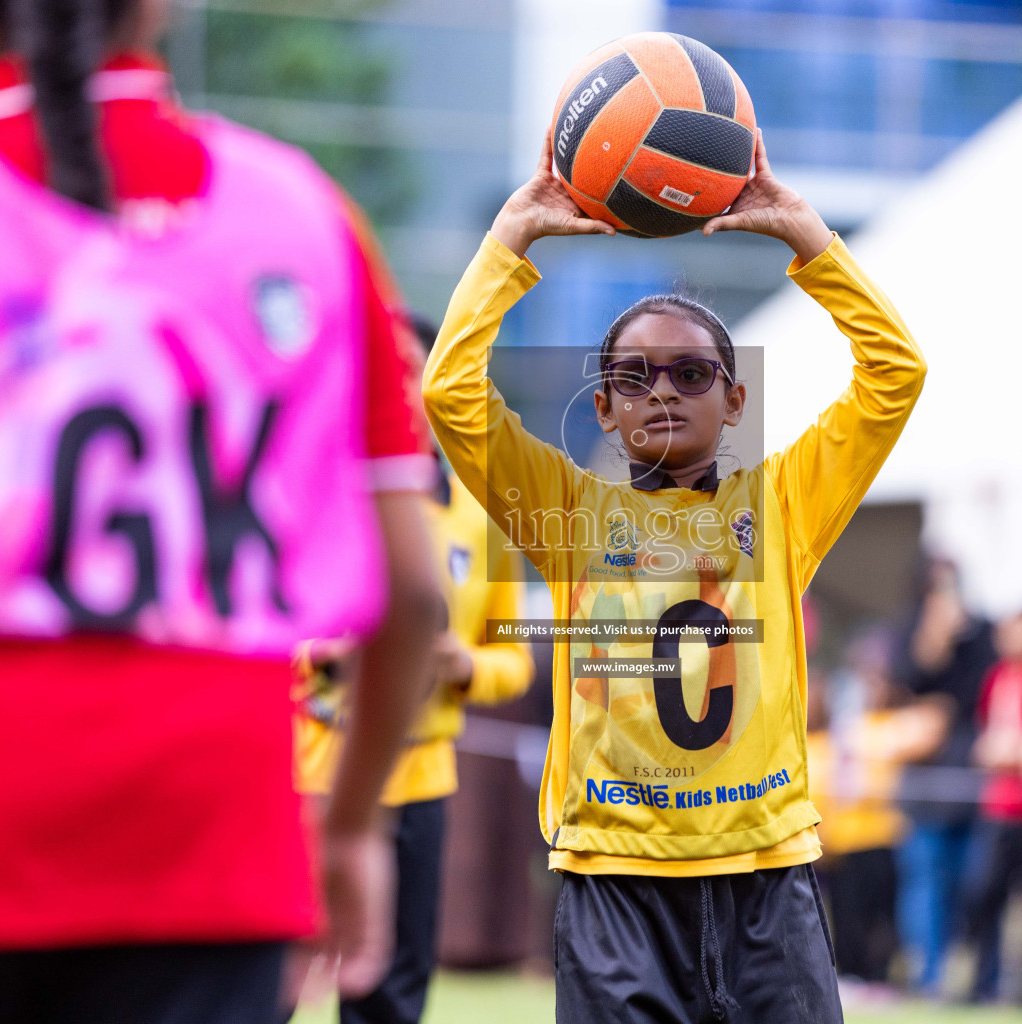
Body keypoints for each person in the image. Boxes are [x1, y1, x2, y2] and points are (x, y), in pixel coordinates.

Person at [0, 0, 443, 1018]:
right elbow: (413, 593)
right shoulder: (300, 214)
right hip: (213, 867)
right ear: (159, 10)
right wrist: (347, 827)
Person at [421, 128, 926, 1023]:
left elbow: (894, 375)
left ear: (735, 399)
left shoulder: (782, 506)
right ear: (606, 408)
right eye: (635, 376)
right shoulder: (569, 515)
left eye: (692, 373)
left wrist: (806, 236)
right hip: (616, 884)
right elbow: (451, 394)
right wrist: (511, 238)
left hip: (766, 877)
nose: (663, 390)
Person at [292, 318, 536, 1024]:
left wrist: (467, 666)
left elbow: (514, 659)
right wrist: (319, 655)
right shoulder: (312, 493)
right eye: (380, 369)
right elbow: (251, 630)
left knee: (393, 991)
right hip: (311, 771)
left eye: (412, 370)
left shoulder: (482, 513)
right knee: (272, 979)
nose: (397, 387)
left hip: (423, 776)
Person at [807, 634, 949, 994]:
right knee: (846, 913)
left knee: (882, 914)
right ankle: (852, 974)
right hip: (843, 836)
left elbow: (931, 725)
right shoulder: (845, 727)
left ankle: (879, 976)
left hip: (883, 833)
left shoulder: (892, 725)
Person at [894, 556, 997, 995]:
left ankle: (975, 974)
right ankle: (928, 973)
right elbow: (903, 685)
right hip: (924, 784)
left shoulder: (981, 634)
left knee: (974, 882)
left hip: (970, 782)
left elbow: (982, 696)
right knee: (925, 881)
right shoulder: (909, 631)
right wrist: (931, 642)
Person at [963, 609, 1022, 1005]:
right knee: (984, 893)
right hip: (1000, 808)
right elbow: (986, 746)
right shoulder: (996, 679)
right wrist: (1015, 752)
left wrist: (1013, 751)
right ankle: (983, 982)